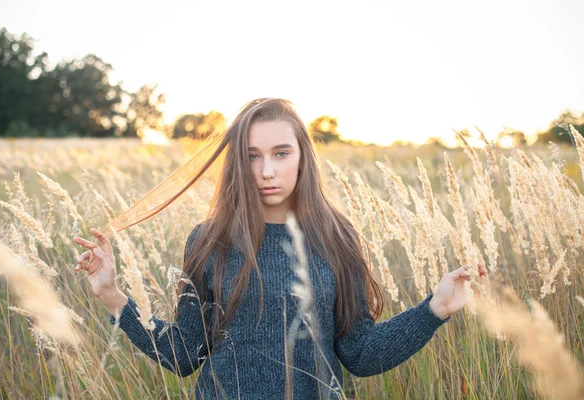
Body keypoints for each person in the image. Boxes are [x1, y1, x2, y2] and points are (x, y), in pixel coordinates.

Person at [73, 98, 488, 399]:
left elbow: (360, 355)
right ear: (237, 161)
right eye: (252, 156)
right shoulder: (208, 240)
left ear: (302, 158)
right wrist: (112, 295)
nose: (266, 171)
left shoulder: (336, 237)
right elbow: (185, 354)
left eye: (280, 153)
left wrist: (433, 309)